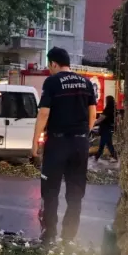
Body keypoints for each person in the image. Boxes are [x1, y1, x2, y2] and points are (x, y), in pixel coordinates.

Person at [31, 47, 97, 244]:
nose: (49, 69)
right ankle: (68, 238)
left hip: (58, 143)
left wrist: (35, 142)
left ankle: (49, 234)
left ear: (53, 63)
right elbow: (92, 114)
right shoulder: (85, 82)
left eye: (49, 65)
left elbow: (44, 113)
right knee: (75, 194)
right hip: (80, 143)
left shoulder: (52, 82)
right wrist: (84, 134)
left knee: (50, 191)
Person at [94, 95, 118, 163]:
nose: (105, 101)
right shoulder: (114, 109)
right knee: (107, 143)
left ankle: (96, 158)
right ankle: (115, 157)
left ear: (108, 101)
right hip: (109, 128)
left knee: (104, 144)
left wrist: (94, 123)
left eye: (106, 100)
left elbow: (102, 118)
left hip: (105, 128)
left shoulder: (108, 109)